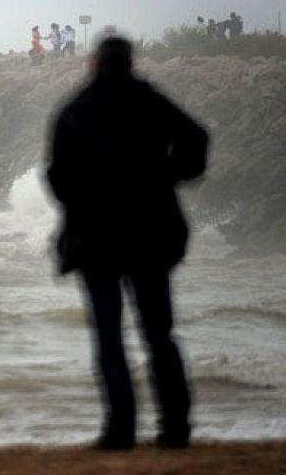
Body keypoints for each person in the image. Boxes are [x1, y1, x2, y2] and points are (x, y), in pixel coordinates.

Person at [45, 37, 209, 450]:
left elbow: (57, 176)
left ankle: (120, 430)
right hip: (150, 235)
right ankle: (175, 428)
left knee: (109, 336)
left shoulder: (76, 110)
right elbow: (196, 137)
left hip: (95, 240)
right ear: (130, 64)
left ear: (94, 64)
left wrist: (80, 205)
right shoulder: (148, 101)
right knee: (159, 334)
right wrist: (171, 175)